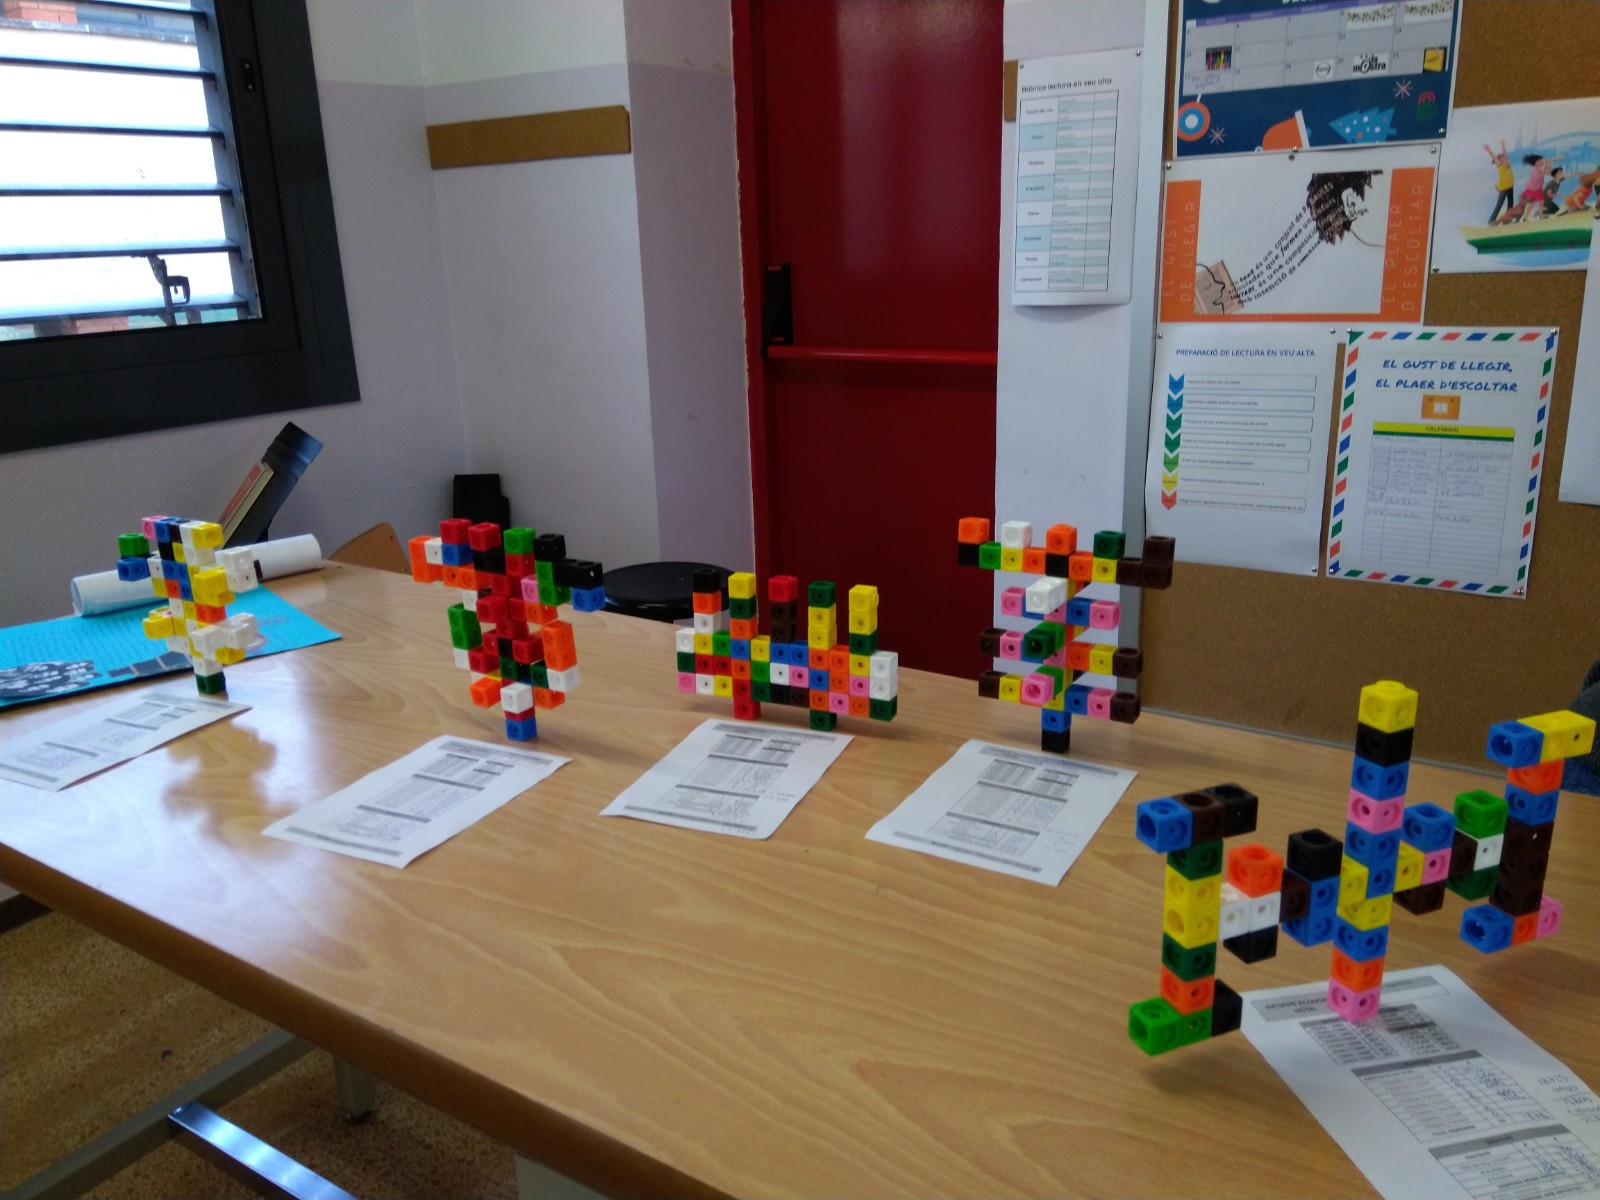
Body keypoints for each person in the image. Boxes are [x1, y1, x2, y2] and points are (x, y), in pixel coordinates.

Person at [1483, 140, 1514, 223]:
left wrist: (1502, 145)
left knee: (1510, 203)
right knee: (1499, 205)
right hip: (1503, 188)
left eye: (1505, 159)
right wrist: (1488, 150)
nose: (1505, 160)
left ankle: (1507, 219)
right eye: (1502, 160)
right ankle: (1491, 221)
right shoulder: (1500, 166)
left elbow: (1504, 153)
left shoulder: (1508, 163)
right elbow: (1494, 157)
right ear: (1500, 162)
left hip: (1510, 186)